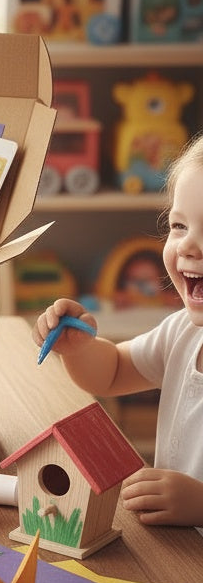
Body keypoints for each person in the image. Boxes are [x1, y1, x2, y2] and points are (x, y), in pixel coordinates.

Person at [33, 133, 203, 527]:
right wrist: (79, 349)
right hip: (178, 556)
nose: (189, 246)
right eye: (179, 226)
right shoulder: (182, 332)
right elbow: (111, 372)